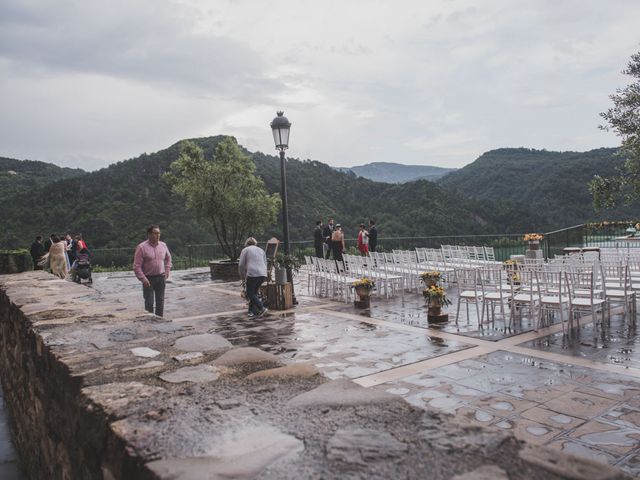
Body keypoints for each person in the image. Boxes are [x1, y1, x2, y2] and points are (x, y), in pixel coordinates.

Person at [133, 225, 172, 317]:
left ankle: (159, 320)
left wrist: (167, 270)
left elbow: (168, 258)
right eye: (155, 233)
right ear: (149, 234)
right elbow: (136, 266)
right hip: (148, 278)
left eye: (159, 233)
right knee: (149, 302)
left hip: (161, 277)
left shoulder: (163, 245)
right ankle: (150, 322)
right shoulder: (142, 247)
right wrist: (143, 279)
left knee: (160, 301)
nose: (158, 235)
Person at [238, 237, 268, 317]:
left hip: (252, 273)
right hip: (262, 273)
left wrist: (242, 276)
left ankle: (262, 308)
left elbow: (241, 265)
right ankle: (250, 311)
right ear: (255, 243)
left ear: (247, 243)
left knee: (250, 293)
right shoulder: (261, 250)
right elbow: (265, 263)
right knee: (254, 292)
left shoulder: (245, 250)